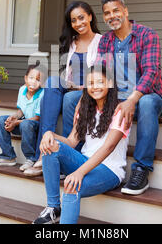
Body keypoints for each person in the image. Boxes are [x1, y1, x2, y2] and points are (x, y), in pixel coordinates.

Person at [33, 65, 129, 224]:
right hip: (84, 161)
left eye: (100, 82)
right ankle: (54, 207)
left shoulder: (121, 111)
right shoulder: (85, 109)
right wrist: (49, 134)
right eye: (91, 83)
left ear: (110, 83)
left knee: (72, 186)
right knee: (50, 145)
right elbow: (71, 142)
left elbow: (108, 148)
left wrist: (79, 173)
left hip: (109, 170)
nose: (95, 87)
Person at [96, 0, 162, 195]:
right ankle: (77, 156)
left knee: (146, 103)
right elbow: (100, 75)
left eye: (116, 10)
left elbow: (151, 72)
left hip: (146, 97)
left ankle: (141, 169)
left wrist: (131, 100)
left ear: (125, 11)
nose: (112, 16)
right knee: (71, 99)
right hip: (116, 100)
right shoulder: (105, 41)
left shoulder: (147, 34)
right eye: (107, 13)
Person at [23, 1, 102, 177]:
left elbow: (101, 75)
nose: (78, 23)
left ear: (90, 16)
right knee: (52, 82)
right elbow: (67, 74)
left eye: (81, 18)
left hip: (90, 91)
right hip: (72, 86)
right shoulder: (71, 42)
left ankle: (65, 157)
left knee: (68, 99)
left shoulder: (101, 42)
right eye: (73, 20)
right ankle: (43, 154)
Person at [0, 63, 43, 172]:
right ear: (25, 78)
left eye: (38, 80)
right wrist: (14, 117)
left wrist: (16, 123)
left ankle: (31, 159)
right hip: (23, 124)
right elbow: (21, 111)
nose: (33, 82)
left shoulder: (43, 93)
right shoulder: (22, 89)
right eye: (31, 78)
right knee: (1, 120)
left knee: (25, 124)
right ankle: (8, 156)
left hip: (35, 127)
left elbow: (37, 118)